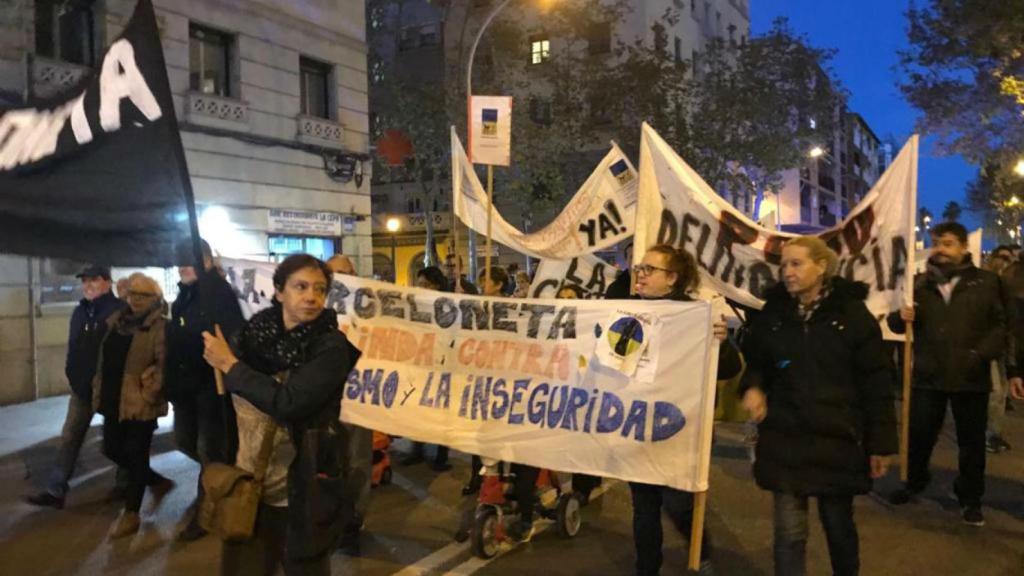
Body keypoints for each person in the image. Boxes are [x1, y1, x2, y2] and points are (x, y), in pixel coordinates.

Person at [740, 237, 897, 576]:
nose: (787, 272)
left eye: (796, 264)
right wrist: (754, 387)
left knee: (838, 528)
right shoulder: (774, 314)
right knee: (789, 534)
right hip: (785, 437)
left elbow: (876, 383)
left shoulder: (853, 315)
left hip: (836, 439)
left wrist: (881, 445)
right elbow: (757, 361)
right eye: (783, 266)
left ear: (822, 266)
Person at [204, 254, 360, 576]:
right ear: (279, 292)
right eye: (300, 287)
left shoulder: (331, 348)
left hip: (303, 490)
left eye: (319, 289)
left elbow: (288, 402)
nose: (311, 297)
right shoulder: (251, 338)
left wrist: (230, 366)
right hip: (249, 486)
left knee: (305, 568)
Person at [629, 244, 740, 576]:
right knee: (644, 508)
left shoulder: (697, 315)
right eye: (639, 268)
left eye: (650, 270)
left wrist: (722, 340)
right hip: (637, 425)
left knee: (678, 504)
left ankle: (700, 552)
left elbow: (728, 369)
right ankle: (646, 569)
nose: (641, 275)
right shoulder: (625, 312)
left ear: (672, 278)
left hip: (682, 430)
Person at [887, 222, 1006, 527]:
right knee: (919, 436)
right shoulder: (919, 284)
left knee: (971, 443)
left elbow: (1001, 326)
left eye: (948, 243)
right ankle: (913, 482)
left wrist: (979, 354)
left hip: (970, 376)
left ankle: (970, 497)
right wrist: (901, 316)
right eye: (937, 242)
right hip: (929, 375)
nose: (940, 248)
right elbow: (897, 325)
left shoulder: (987, 282)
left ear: (964, 247)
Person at [25, 265, 128, 509]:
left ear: (107, 282)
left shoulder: (119, 311)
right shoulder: (80, 312)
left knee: (117, 440)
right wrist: (73, 376)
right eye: (85, 281)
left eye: (93, 280)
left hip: (111, 388)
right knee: (70, 436)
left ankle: (127, 484)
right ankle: (55, 490)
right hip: (82, 388)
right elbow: (74, 348)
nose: (87, 285)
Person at [166, 239, 246, 541]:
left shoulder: (218, 293)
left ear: (208, 261)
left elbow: (234, 334)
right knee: (185, 442)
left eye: (191, 259)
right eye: (180, 260)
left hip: (211, 389)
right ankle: (220, 483)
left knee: (209, 450)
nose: (183, 266)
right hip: (187, 388)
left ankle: (206, 512)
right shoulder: (184, 296)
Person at [93, 273, 174, 538]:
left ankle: (131, 514)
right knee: (112, 448)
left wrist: (149, 393)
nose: (137, 300)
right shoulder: (117, 322)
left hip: (140, 403)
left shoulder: (160, 326)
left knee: (136, 453)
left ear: (155, 298)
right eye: (133, 295)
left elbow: (165, 366)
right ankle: (151, 479)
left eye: (144, 296)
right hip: (113, 399)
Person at [325, 253, 375, 557]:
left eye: (345, 273)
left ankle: (352, 524)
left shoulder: (371, 308)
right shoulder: (317, 310)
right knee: (327, 463)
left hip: (359, 395)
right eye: (334, 275)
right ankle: (329, 519)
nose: (340, 279)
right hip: (324, 398)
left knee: (356, 463)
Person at [461, 267, 512, 496]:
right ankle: (478, 477)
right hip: (480, 373)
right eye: (480, 281)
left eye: (486, 281)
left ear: (499, 284)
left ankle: (503, 477)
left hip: (503, 377)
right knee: (478, 430)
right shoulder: (479, 306)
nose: (482, 285)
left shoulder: (511, 307)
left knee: (501, 431)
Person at [401, 266, 454, 472]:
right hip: (422, 363)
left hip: (444, 364)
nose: (420, 288)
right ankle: (417, 449)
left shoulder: (450, 306)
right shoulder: (417, 305)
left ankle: (441, 456)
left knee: (442, 412)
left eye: (425, 284)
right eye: (419, 284)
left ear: (437, 285)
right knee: (419, 408)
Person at [982, 246, 1018, 454]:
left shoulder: (1008, 294)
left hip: (1001, 349)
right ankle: (991, 435)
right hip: (989, 349)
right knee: (995, 393)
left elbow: (1011, 326)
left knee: (1000, 393)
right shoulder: (985, 292)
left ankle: (992, 432)